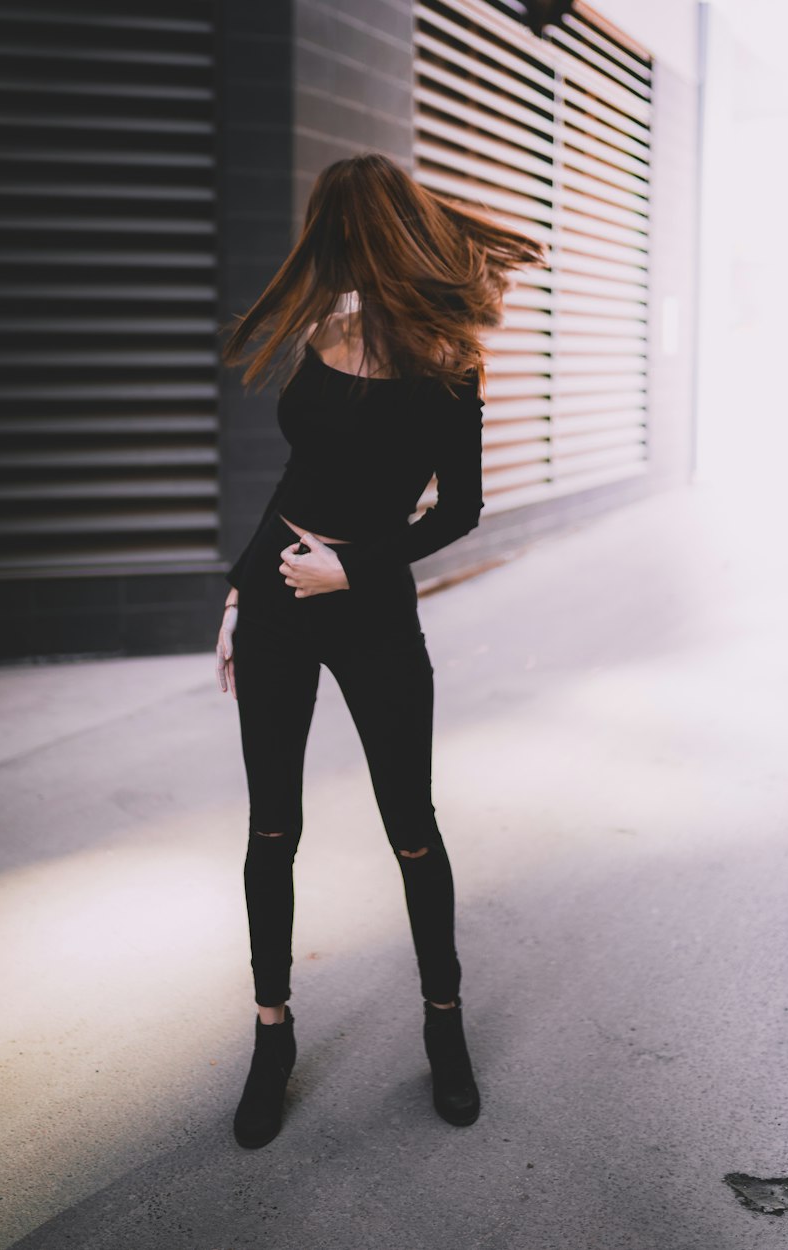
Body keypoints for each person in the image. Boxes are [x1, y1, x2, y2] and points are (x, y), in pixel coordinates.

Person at [216, 153, 548, 1149]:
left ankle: (442, 1028)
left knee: (413, 826)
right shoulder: (326, 331)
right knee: (272, 827)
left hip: (371, 614)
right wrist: (238, 588)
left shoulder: (448, 361)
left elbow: (462, 510)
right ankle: (271, 1033)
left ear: (373, 233)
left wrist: (352, 570)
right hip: (276, 604)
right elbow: (296, 477)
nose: (332, 256)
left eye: (343, 236)